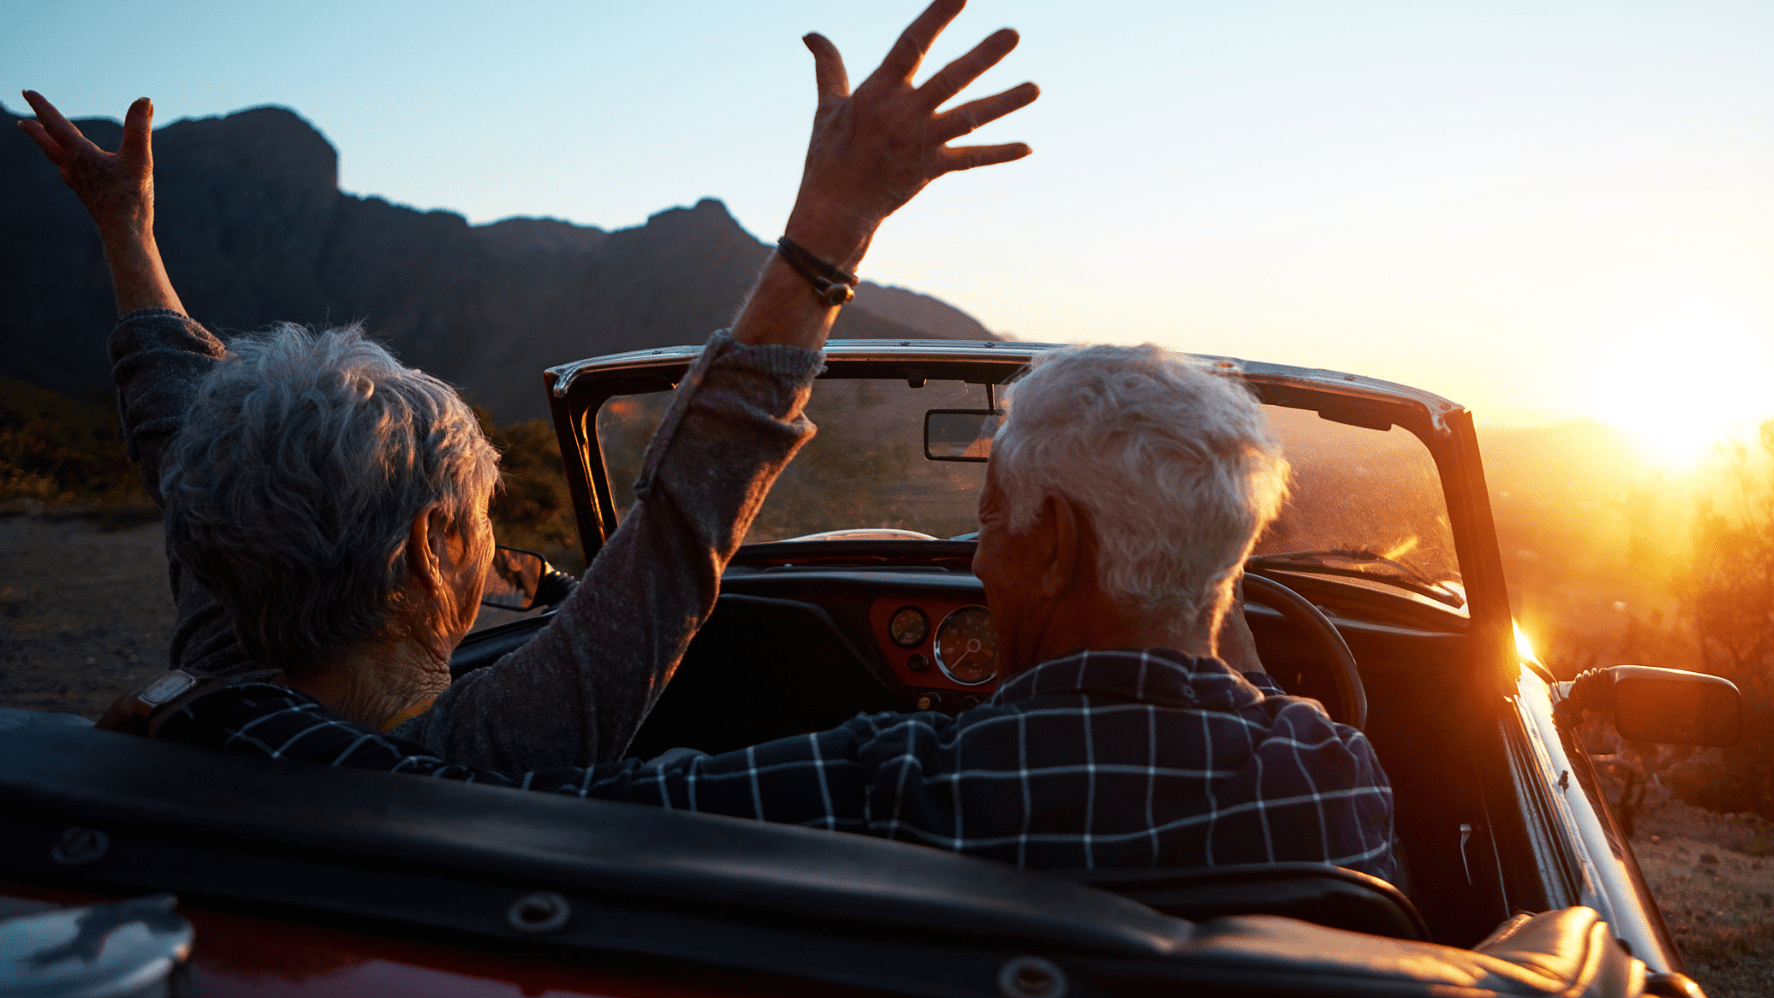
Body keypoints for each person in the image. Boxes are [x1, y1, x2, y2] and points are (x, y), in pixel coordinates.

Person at [18, 0, 1039, 770]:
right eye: (470, 518)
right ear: (426, 551)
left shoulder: (207, 667)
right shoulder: (494, 748)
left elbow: (172, 413)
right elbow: (694, 500)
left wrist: (124, 230)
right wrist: (839, 215)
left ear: (208, 532)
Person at [141, 343, 1397, 878]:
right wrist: (1202, 605)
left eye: (996, 520)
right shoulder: (1342, 786)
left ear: (1057, 544)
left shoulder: (868, 787)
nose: (971, 566)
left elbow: (505, 804)